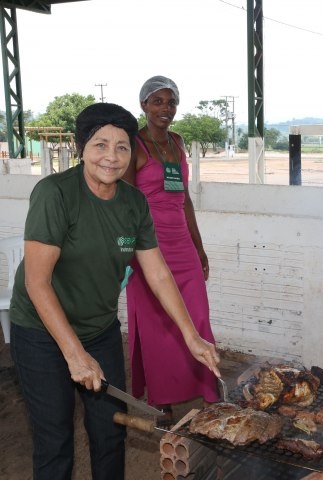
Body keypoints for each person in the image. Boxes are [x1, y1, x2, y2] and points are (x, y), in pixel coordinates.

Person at [9, 103, 221, 480]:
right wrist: (74, 354)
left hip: (100, 329)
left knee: (110, 433)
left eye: (122, 147)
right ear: (81, 148)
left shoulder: (134, 203)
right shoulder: (55, 193)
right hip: (42, 333)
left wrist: (191, 335)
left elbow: (158, 274)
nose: (111, 156)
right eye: (100, 145)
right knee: (55, 440)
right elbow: (36, 282)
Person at [123, 76, 218, 425]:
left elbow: (185, 200)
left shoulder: (177, 142)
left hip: (181, 242)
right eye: (158, 101)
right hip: (148, 246)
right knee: (156, 326)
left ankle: (208, 390)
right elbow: (127, 203)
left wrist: (199, 247)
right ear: (144, 106)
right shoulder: (134, 144)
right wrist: (128, 251)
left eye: (171, 101)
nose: (166, 108)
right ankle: (162, 401)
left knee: (197, 316)